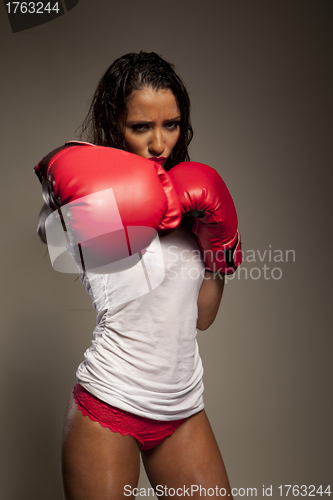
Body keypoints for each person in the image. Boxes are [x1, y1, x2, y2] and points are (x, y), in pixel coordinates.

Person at [35, 51, 241, 500]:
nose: (159, 143)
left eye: (171, 125)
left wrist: (219, 253)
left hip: (183, 409)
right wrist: (151, 201)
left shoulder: (193, 195)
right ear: (114, 125)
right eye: (141, 127)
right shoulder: (89, 201)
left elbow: (202, 317)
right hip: (109, 406)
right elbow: (54, 236)